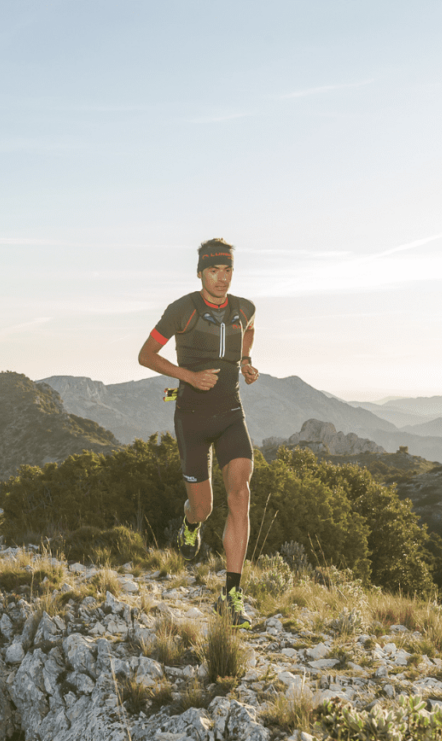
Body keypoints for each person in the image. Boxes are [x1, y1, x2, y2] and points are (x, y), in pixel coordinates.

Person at [138, 238, 260, 628]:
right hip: (191, 417)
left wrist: (245, 360)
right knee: (204, 507)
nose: (221, 279)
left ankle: (232, 595)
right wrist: (188, 375)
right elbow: (146, 354)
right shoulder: (183, 310)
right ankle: (190, 525)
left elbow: (250, 329)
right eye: (214, 271)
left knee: (240, 493)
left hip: (230, 414)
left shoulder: (244, 308)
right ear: (200, 273)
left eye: (227, 271)